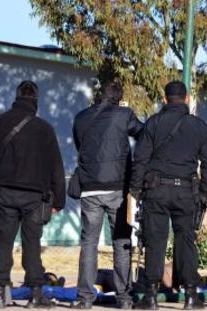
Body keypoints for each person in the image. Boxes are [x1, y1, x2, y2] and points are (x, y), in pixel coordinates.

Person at [0, 81, 66, 309]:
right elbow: (56, 166)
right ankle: (35, 294)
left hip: (4, 193)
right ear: (35, 101)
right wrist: (58, 199)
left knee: (3, 243)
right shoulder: (44, 128)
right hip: (34, 197)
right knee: (32, 244)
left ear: (16, 98)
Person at [131, 81, 207, 310]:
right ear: (186, 99)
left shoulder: (153, 123)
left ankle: (150, 295)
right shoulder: (199, 127)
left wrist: (136, 190)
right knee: (186, 241)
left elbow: (140, 160)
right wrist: (205, 193)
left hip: (156, 189)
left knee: (155, 241)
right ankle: (190, 295)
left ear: (164, 99)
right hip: (187, 191)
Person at [71, 81, 143, 309]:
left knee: (89, 243)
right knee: (121, 242)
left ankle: (85, 298)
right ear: (118, 98)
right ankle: (123, 297)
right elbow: (143, 133)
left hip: (89, 187)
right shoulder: (124, 114)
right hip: (117, 188)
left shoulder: (81, 117)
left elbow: (79, 146)